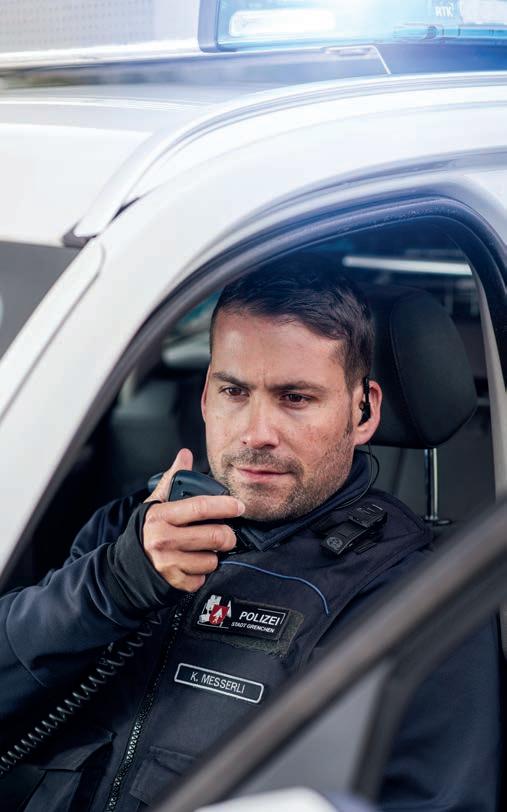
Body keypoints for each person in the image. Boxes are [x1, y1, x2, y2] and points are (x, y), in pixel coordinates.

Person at [0, 259, 501, 811]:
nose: (257, 434)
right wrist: (114, 586)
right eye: (235, 391)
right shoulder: (131, 533)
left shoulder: (421, 601)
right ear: (205, 398)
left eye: (296, 398)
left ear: (363, 412)